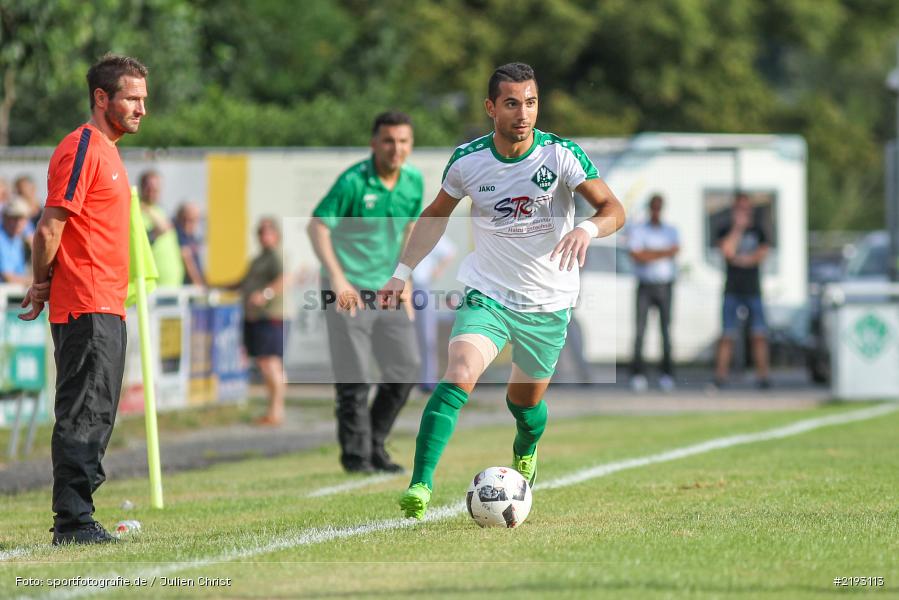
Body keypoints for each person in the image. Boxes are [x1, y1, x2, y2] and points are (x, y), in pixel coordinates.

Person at [380, 62, 625, 519]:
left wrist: (587, 230)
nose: (523, 113)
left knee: (524, 403)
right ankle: (420, 485)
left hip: (547, 302)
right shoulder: (468, 160)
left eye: (530, 102)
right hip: (488, 293)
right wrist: (401, 271)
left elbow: (614, 209)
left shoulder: (561, 155)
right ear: (491, 108)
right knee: (459, 374)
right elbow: (435, 215)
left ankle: (527, 449)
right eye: (512, 103)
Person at [19, 54, 148, 545]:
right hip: (87, 304)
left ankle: (79, 513)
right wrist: (41, 282)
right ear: (101, 98)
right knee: (83, 412)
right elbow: (50, 226)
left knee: (99, 411)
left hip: (107, 304)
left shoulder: (111, 151)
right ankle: (73, 521)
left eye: (143, 100)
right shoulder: (84, 147)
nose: (140, 109)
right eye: (131, 98)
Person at [307, 111, 422, 474]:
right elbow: (318, 227)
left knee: (406, 369)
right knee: (355, 377)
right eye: (388, 140)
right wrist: (338, 280)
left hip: (387, 289)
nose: (396, 148)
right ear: (374, 143)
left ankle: (374, 445)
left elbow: (411, 228)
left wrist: (405, 278)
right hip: (349, 288)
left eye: (403, 141)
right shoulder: (353, 182)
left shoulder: (413, 181)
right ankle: (357, 460)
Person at [714, 193, 770, 388]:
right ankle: (720, 377)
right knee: (727, 334)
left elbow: (761, 255)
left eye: (746, 209)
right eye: (740, 209)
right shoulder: (725, 229)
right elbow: (727, 252)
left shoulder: (758, 231)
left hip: (753, 289)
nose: (744, 213)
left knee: (759, 334)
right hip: (732, 289)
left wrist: (743, 260)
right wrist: (737, 229)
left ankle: (763, 377)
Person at [628, 194, 679, 392]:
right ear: (649, 208)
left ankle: (667, 374)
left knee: (665, 331)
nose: (656, 211)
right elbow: (637, 255)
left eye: (659, 208)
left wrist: (650, 253)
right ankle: (638, 374)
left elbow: (674, 250)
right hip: (645, 285)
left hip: (665, 285)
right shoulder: (639, 229)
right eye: (653, 207)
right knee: (640, 331)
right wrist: (662, 253)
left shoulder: (671, 230)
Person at [238, 217, 286, 425]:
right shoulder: (259, 258)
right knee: (266, 364)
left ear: (276, 234)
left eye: (267, 231)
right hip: (256, 317)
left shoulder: (276, 256)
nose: (263, 236)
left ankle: (276, 411)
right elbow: (242, 282)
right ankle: (273, 410)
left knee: (270, 364)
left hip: (270, 316)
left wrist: (265, 294)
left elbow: (285, 278)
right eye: (260, 231)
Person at [412, 236, 456, 392]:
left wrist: (438, 271)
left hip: (420, 286)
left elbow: (449, 251)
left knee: (427, 337)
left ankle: (427, 381)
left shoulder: (427, 229)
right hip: (399, 285)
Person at [139, 170, 184, 287]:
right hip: (153, 284)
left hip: (173, 283)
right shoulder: (136, 210)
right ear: (142, 188)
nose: (152, 193)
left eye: (156, 189)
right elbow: (139, 242)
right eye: (149, 188)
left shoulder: (161, 210)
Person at [0, 198, 32, 285]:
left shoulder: (18, 240)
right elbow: (7, 277)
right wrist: (35, 281)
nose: (18, 223)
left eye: (22, 218)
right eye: (14, 218)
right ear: (5, 217)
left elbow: (19, 273)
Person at [175, 201, 206, 286]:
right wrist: (198, 284)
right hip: (186, 288)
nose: (187, 224)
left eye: (192, 220)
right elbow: (187, 258)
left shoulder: (192, 236)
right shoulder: (180, 234)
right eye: (184, 219)